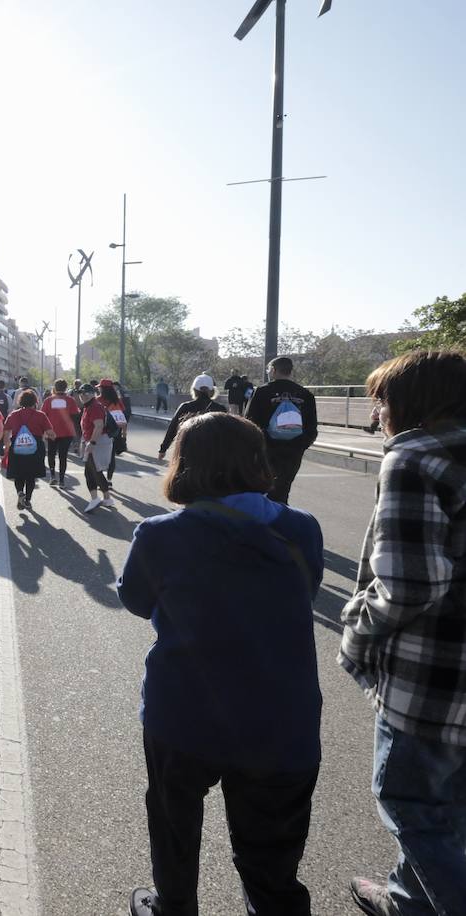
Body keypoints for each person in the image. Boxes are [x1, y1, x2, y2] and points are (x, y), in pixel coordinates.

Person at [118, 411, 323, 916]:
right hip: (281, 719)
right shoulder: (301, 529)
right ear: (258, 462)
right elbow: (306, 591)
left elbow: (136, 600)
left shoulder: (160, 534)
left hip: (184, 713)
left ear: (184, 464)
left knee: (174, 827)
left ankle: (175, 906)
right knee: (271, 859)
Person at [340, 350, 466, 916]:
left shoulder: (416, 459)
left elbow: (409, 586)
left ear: (413, 401)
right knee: (452, 802)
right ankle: (407, 899)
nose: (377, 414)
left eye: (382, 400)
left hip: (432, 676)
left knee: (411, 806)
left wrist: (356, 634)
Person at [244, 357, 318, 505]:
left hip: (267, 448)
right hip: (294, 449)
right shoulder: (305, 394)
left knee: (264, 487)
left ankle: (266, 519)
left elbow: (249, 421)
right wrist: (301, 444)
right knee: (283, 488)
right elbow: (312, 426)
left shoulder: (262, 392)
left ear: (273, 370)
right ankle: (282, 518)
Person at [2, 390, 55, 510]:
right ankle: (27, 499)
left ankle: (20, 492)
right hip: (35, 448)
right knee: (31, 475)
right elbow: (50, 433)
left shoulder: (13, 414)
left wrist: (7, 445)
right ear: (35, 401)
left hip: (17, 446)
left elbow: (6, 432)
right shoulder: (41, 415)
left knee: (18, 474)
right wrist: (51, 437)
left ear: (20, 401)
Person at [157, 375, 226, 461]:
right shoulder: (220, 409)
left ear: (194, 390)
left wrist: (163, 449)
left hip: (188, 454)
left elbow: (173, 428)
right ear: (212, 390)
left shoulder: (185, 407)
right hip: (213, 455)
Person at [79, 384, 116, 513]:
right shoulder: (89, 406)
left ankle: (98, 498)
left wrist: (92, 443)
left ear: (92, 394)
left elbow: (99, 426)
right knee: (92, 471)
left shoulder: (94, 407)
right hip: (94, 441)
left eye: (86, 393)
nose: (82, 395)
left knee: (94, 470)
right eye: (81, 393)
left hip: (98, 441)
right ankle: (105, 498)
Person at [41, 380, 80, 488]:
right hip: (67, 432)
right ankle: (62, 480)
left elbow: (43, 416)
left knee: (51, 454)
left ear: (55, 387)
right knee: (63, 456)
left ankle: (53, 476)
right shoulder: (70, 400)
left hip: (52, 431)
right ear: (66, 387)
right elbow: (75, 415)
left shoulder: (49, 400)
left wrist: (43, 431)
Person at [99, 380, 129, 485]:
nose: (99, 389)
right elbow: (123, 420)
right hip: (114, 433)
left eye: (100, 387)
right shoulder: (117, 401)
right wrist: (124, 435)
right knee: (111, 457)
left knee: (100, 457)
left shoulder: (98, 400)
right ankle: (109, 480)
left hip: (100, 433)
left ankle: (101, 479)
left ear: (103, 389)